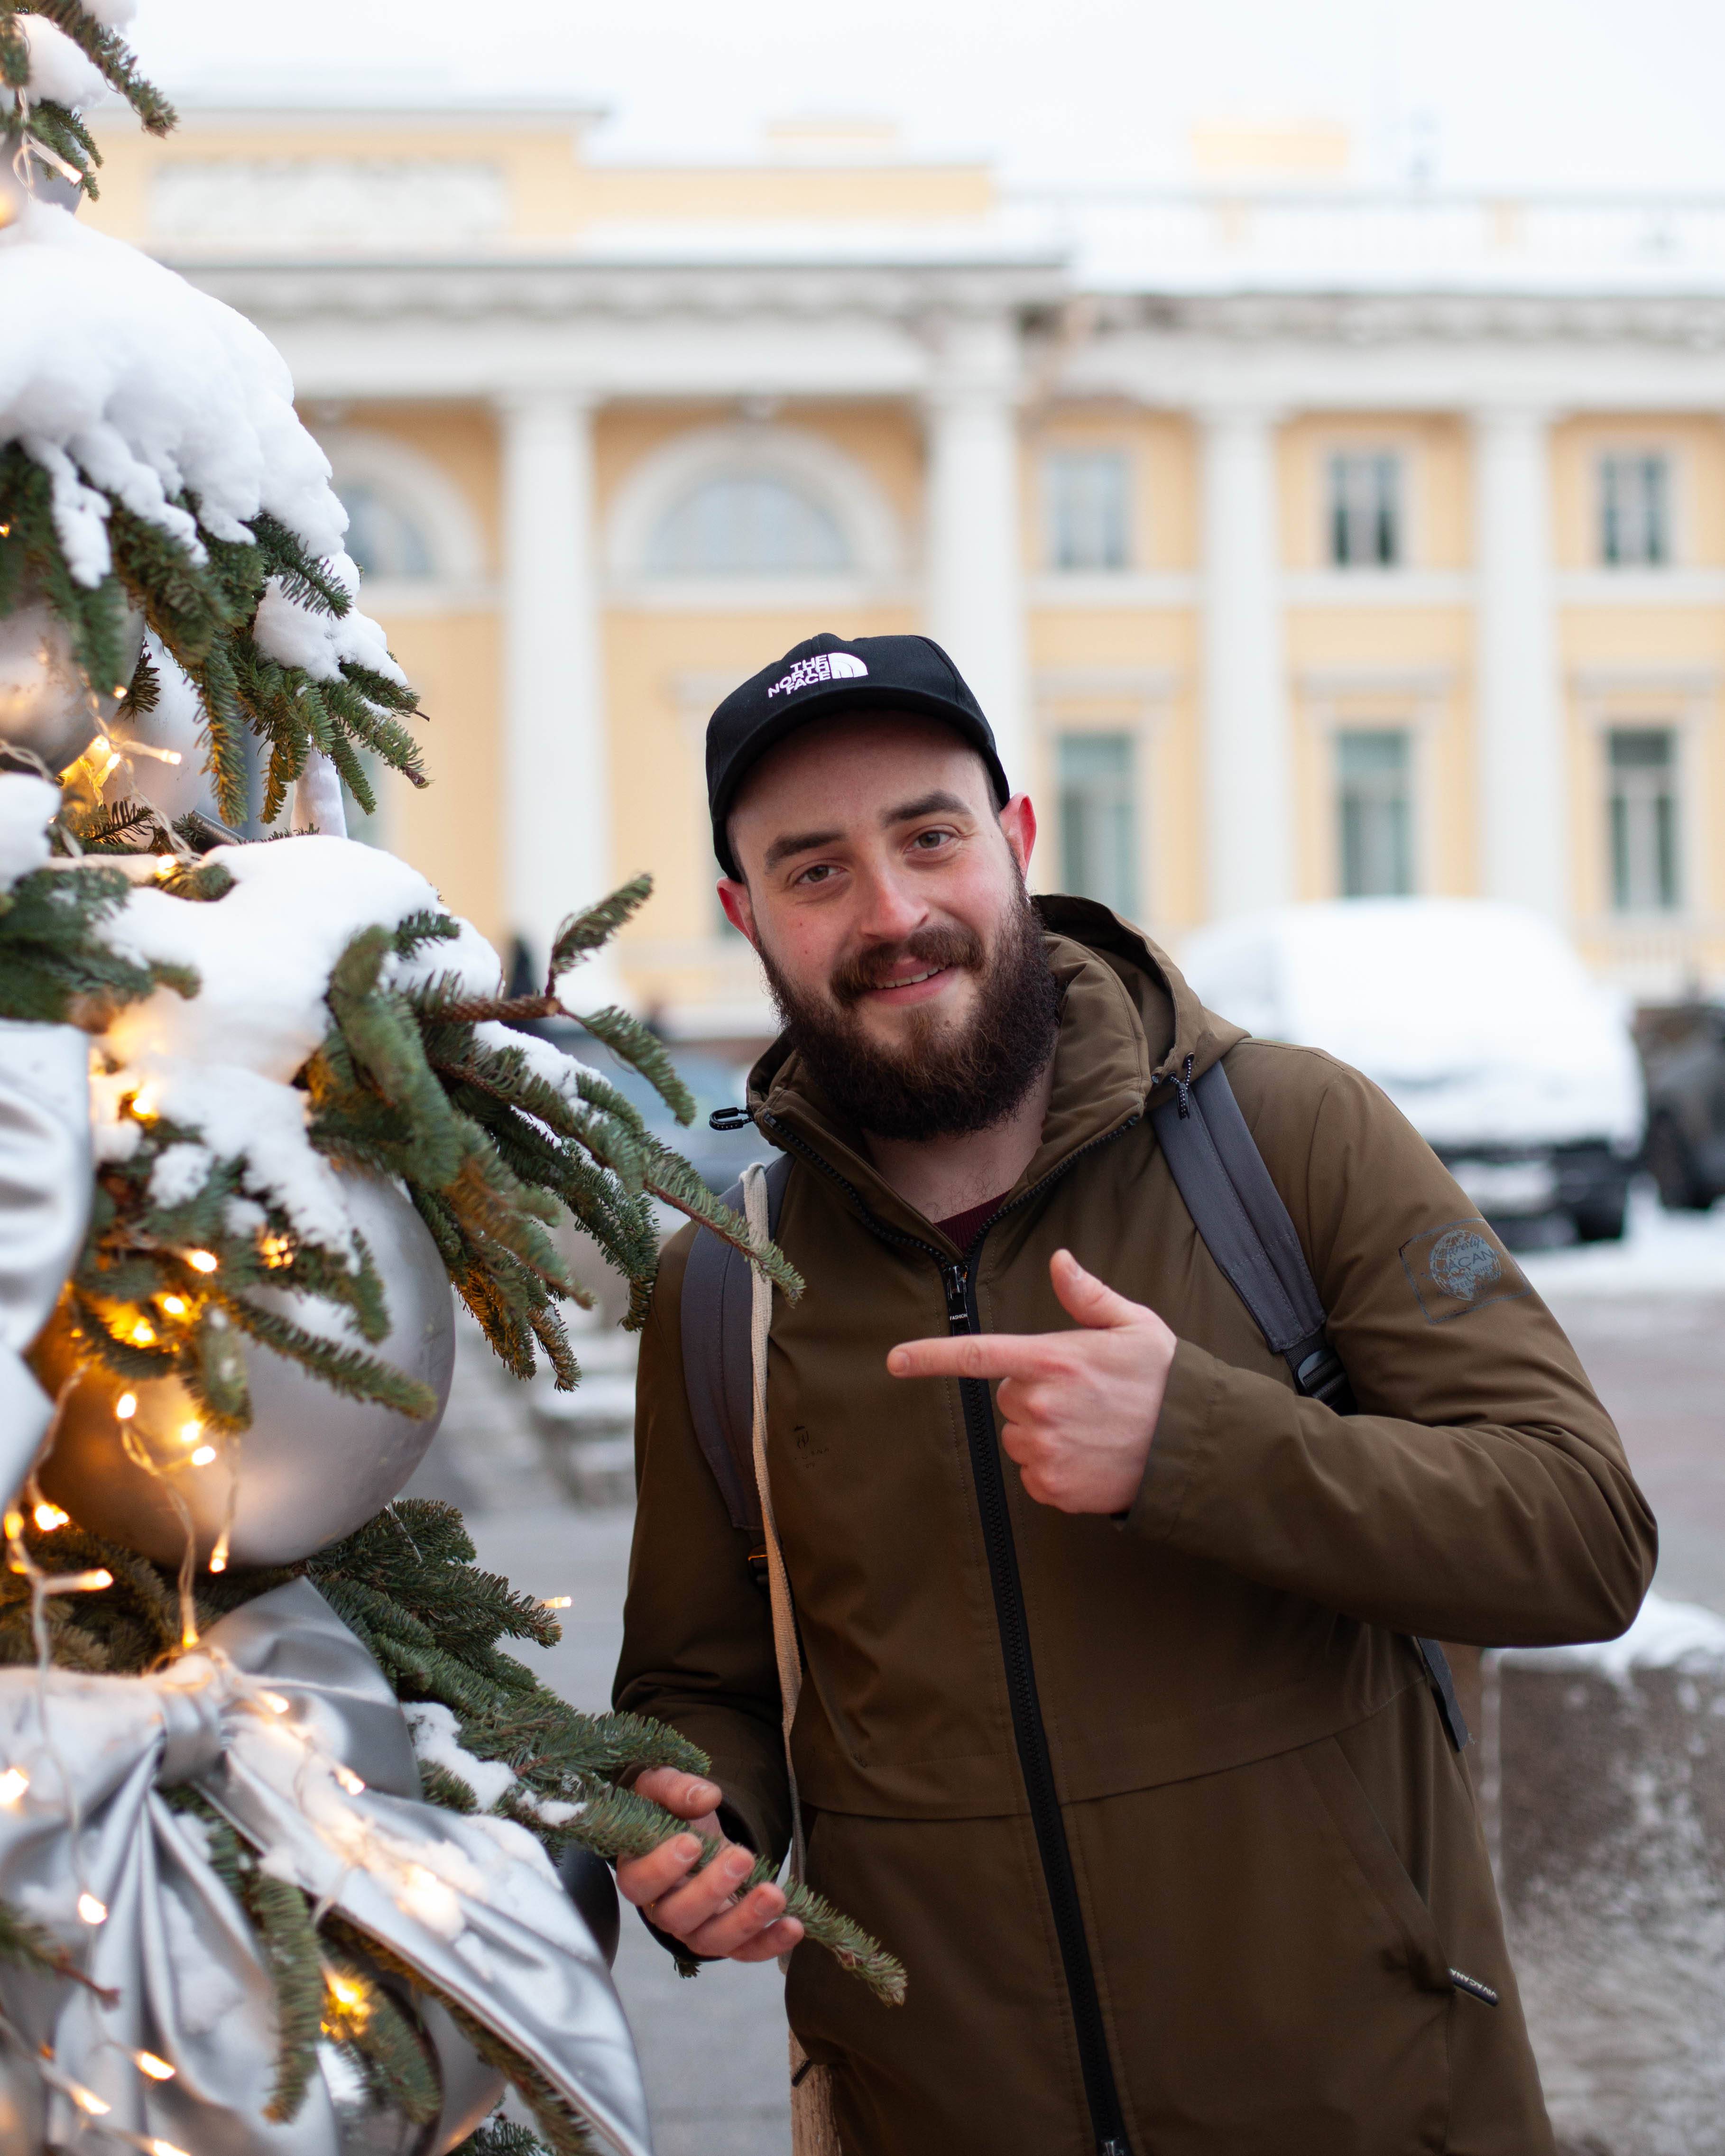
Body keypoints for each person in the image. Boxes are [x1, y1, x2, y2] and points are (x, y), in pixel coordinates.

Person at [612, 631, 1656, 2156]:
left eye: (929, 837)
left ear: (1018, 841)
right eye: (816, 869)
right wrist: (694, 1823)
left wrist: (1202, 1445)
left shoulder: (1291, 1137)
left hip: (1373, 2111)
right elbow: (696, 1680)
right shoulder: (724, 1282)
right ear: (745, 915)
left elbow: (1583, 1535)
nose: (892, 912)